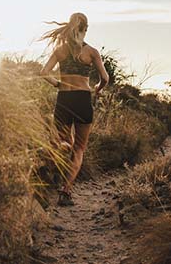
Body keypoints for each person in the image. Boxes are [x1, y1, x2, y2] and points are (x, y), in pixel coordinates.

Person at [39, 12, 109, 206]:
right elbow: (105, 78)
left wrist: (57, 84)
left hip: (64, 98)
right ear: (85, 29)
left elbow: (44, 72)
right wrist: (98, 89)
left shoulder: (60, 50)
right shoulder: (91, 52)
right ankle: (65, 190)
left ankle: (49, 173)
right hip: (82, 99)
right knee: (79, 148)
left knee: (62, 143)